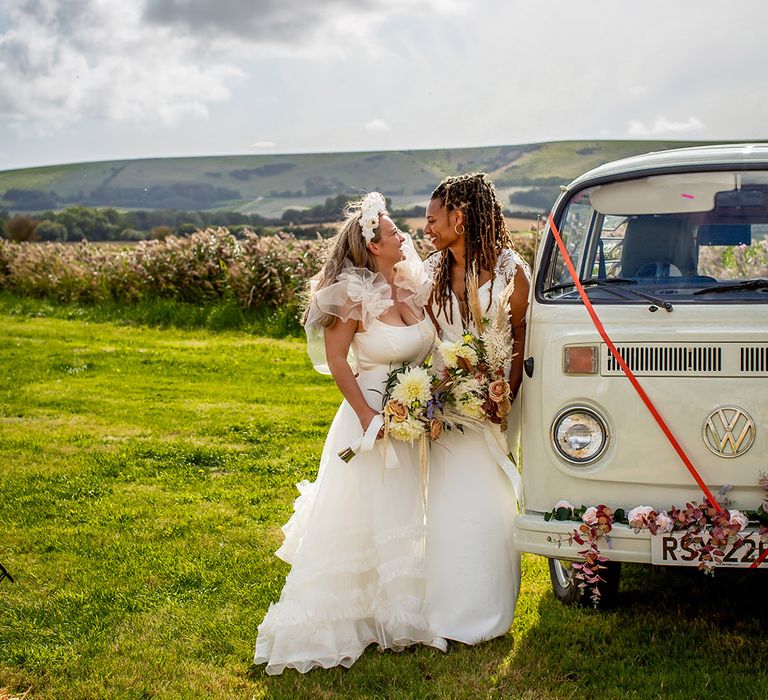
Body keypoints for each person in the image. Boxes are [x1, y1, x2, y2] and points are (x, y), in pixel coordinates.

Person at [254, 193, 446, 675]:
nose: (403, 235)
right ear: (373, 247)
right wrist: (366, 415)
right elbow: (338, 360)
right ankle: (345, 617)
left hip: (412, 412)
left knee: (404, 506)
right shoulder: (355, 296)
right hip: (370, 420)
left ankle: (401, 612)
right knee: (364, 512)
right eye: (392, 232)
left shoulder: (412, 285)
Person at [423, 172, 530, 644]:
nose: (426, 228)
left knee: (490, 501)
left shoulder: (510, 270)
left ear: (459, 217)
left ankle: (488, 609)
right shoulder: (429, 272)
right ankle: (446, 605)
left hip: (496, 406)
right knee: (447, 502)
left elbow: (521, 335)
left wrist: (501, 393)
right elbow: (425, 337)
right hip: (446, 406)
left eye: (432, 218)